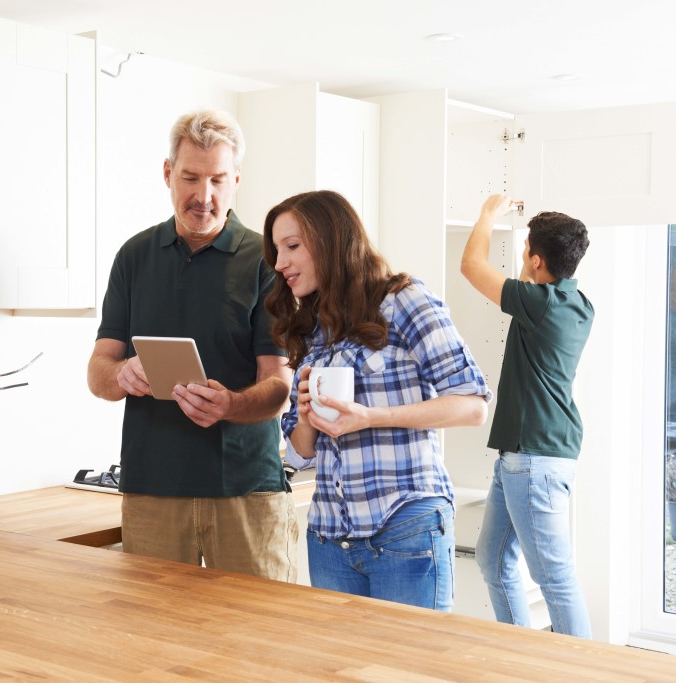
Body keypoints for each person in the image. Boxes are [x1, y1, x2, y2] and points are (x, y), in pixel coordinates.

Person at [86, 109, 298, 581]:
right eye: (190, 178)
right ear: (168, 174)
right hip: (152, 491)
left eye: (219, 180)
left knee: (259, 639)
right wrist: (122, 374)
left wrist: (230, 405)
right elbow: (98, 370)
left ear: (237, 179)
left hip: (247, 490)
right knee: (155, 643)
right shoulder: (134, 257)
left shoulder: (265, 260)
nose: (204, 197)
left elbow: (279, 384)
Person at [262, 189, 491, 611]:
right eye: (277, 251)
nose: (280, 264)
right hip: (330, 539)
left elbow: (472, 404)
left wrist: (370, 417)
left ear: (330, 240)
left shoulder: (403, 299)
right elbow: (298, 455)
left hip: (405, 527)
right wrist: (309, 416)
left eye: (292, 246)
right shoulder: (311, 327)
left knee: (409, 671)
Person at [461, 194, 594, 638]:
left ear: (536, 260)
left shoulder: (540, 303)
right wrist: (530, 259)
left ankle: (580, 668)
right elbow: (527, 282)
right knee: (493, 560)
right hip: (528, 454)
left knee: (555, 577)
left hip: (533, 458)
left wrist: (487, 215)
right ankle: (523, 652)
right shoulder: (576, 304)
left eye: (526, 254)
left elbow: (471, 267)